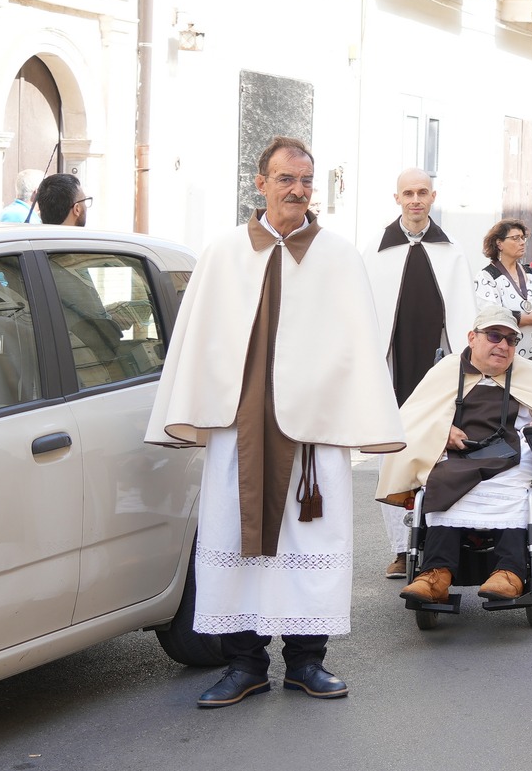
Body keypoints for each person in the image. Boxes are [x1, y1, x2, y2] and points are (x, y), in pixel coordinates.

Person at [145, 137, 405, 708]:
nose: (298, 190)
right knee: (234, 538)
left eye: (306, 181)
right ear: (260, 183)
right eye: (286, 179)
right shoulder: (224, 253)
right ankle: (245, 664)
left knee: (311, 539)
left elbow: (359, 346)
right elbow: (200, 339)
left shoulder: (338, 257)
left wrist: (333, 401)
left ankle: (307, 661)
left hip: (311, 432)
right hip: (238, 428)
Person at [382, 305, 532, 603]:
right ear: (472, 337)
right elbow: (414, 418)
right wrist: (441, 430)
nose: (503, 345)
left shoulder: (529, 374)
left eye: (511, 340)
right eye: (494, 336)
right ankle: (435, 574)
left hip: (509, 453)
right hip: (459, 453)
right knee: (438, 482)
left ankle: (510, 572)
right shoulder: (446, 371)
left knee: (518, 485)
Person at [365, 168, 478, 577]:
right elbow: (364, 315)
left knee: (443, 455)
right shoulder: (375, 252)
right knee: (393, 456)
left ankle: (445, 545)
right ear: (396, 198)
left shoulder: (452, 251)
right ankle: (401, 548)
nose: (415, 199)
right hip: (391, 368)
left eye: (422, 192)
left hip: (438, 369)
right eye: (408, 193)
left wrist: (469, 368)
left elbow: (464, 312)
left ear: (433, 197)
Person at [473, 219, 532, 368]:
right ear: (499, 244)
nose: (522, 242)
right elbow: (491, 315)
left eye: (523, 238)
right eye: (515, 238)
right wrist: (528, 319)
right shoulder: (487, 276)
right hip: (502, 356)